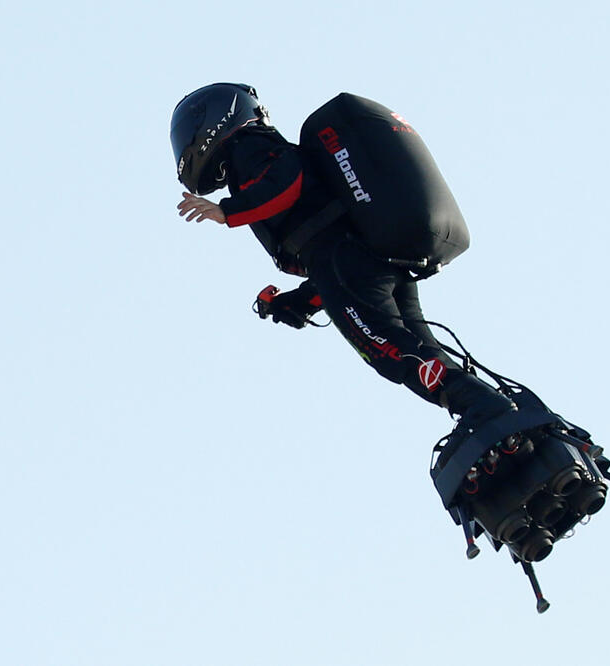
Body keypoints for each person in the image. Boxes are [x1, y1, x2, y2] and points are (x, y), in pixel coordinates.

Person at [171, 83, 513, 438]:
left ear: (214, 121)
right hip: (360, 255)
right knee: (417, 347)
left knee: (387, 349)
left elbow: (288, 183)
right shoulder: (253, 150)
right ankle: (510, 417)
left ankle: (485, 410)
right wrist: (298, 303)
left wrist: (228, 211)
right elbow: (321, 242)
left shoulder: (248, 146)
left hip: (341, 257)